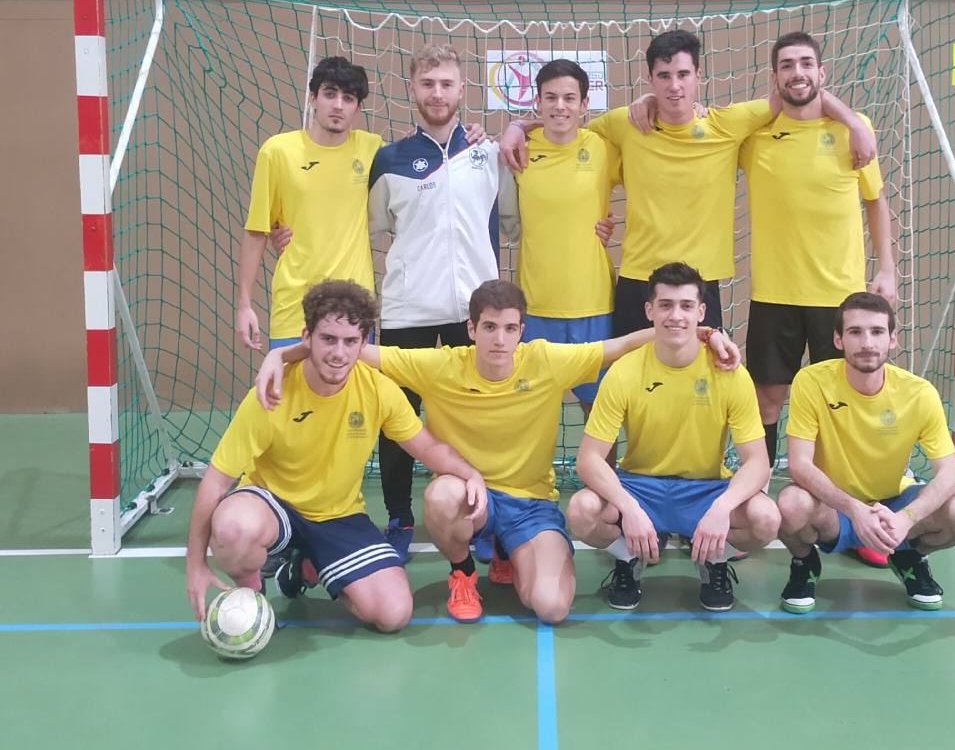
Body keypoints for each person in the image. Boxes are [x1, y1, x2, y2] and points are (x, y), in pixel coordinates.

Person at [257, 279, 741, 624]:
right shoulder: (438, 366)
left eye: (510, 328)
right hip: (472, 496)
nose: (500, 339)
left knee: (551, 608)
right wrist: (281, 354)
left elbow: (618, 346)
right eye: (489, 328)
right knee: (442, 496)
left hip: (531, 505)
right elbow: (351, 349)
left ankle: (510, 551)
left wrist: (701, 334)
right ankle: (464, 572)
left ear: (522, 330)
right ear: (471, 329)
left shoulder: (546, 360)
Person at [501, 30, 873, 339]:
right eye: (663, 76)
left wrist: (853, 123)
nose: (674, 85)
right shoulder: (623, 124)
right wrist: (518, 127)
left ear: (699, 77)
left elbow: (796, 91)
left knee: (707, 387)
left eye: (682, 74)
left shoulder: (728, 124)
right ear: (650, 80)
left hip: (701, 280)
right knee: (631, 387)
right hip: (637, 280)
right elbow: (564, 131)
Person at [185, 280, 487, 632]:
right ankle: (254, 596)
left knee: (393, 614)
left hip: (338, 516)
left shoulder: (378, 389)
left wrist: (471, 474)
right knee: (234, 529)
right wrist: (195, 564)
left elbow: (428, 448)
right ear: (306, 337)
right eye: (328, 339)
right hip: (273, 506)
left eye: (350, 341)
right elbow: (216, 480)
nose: (338, 353)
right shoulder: (272, 391)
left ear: (364, 343)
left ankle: (307, 565)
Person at [739, 31, 896, 565]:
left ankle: (857, 517)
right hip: (775, 296)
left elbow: (875, 203)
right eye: (787, 65)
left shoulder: (856, 133)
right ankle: (754, 505)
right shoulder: (757, 134)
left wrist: (888, 268)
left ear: (822, 73)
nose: (797, 73)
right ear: (775, 76)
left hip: (840, 297)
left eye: (807, 63)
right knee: (767, 402)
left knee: (842, 407)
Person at [567, 263, 779, 611]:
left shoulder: (730, 373)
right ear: (650, 311)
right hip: (641, 487)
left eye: (685, 305)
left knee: (766, 518)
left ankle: (713, 561)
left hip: (705, 488)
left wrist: (722, 508)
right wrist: (628, 507)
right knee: (581, 510)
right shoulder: (625, 371)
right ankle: (629, 558)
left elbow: (758, 462)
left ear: (701, 312)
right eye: (665, 305)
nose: (675, 315)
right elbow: (588, 458)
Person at [366, 43, 501, 560]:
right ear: (413, 90)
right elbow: (376, 227)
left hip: (474, 314)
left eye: (446, 83)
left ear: (462, 88)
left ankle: (483, 514)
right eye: (428, 84)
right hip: (407, 311)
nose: (437, 93)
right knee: (398, 416)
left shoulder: (489, 155)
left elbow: (508, 222)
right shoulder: (390, 159)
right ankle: (400, 517)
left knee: (479, 416)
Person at [776, 292, 955, 613]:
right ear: (838, 339)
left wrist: (905, 519)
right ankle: (805, 564)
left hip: (893, 506)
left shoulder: (919, 394)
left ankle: (907, 555)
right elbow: (799, 466)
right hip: (835, 509)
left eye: (876, 331)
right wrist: (855, 509)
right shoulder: (811, 381)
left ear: (893, 340)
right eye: (855, 332)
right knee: (790, 504)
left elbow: (950, 475)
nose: (867, 342)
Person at [498, 58, 618, 419]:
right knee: (531, 404)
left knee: (597, 405)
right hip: (535, 305)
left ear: (584, 104)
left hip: (593, 302)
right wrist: (516, 125)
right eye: (550, 98)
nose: (560, 106)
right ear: (537, 102)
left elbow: (649, 185)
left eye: (569, 98)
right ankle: (528, 477)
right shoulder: (517, 149)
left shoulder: (603, 147)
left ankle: (598, 478)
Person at [236, 57, 379, 350]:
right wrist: (244, 304)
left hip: (355, 309)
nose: (338, 104)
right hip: (294, 308)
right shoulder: (277, 152)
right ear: (313, 98)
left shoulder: (373, 149)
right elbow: (257, 230)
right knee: (290, 395)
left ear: (357, 107)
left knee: (354, 397)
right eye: (329, 94)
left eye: (348, 98)